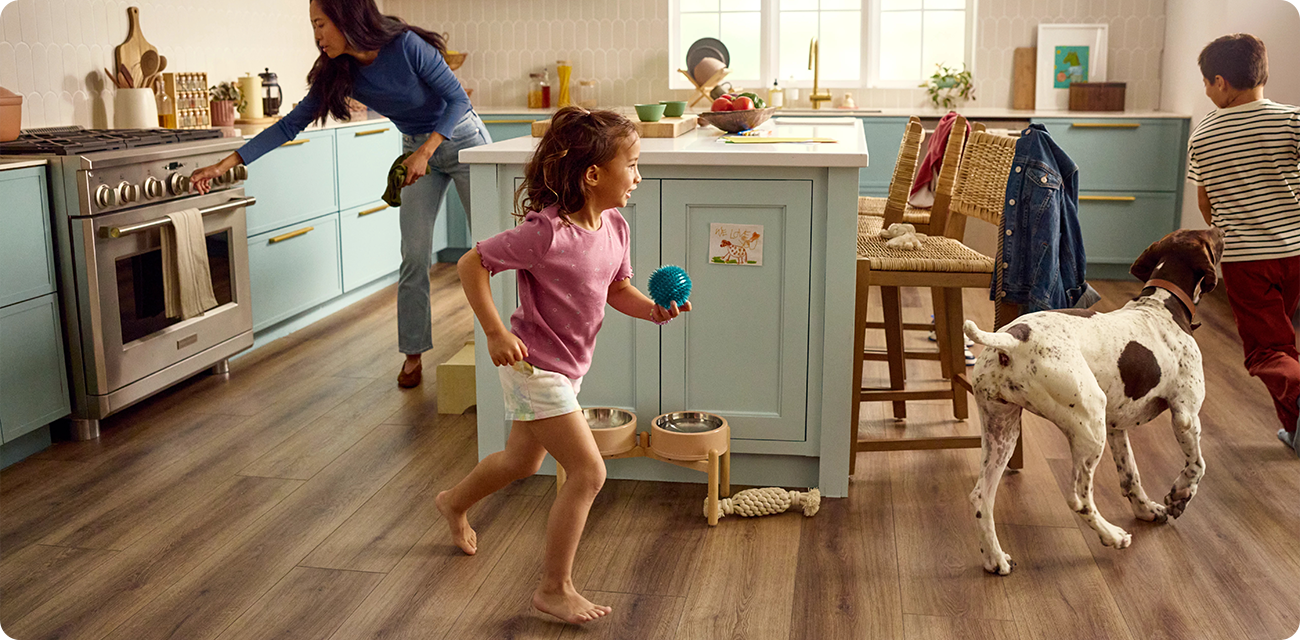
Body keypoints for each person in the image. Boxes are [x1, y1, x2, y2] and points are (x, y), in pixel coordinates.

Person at [434, 107, 690, 624]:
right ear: (593, 174)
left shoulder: (614, 225)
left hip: (569, 366)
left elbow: (616, 288)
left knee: (521, 462)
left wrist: (653, 310)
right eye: (633, 165)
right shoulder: (544, 232)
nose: (639, 177)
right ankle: (555, 587)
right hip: (534, 365)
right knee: (588, 471)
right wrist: (495, 332)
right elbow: (471, 263)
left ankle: (452, 503)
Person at [191, 0, 489, 388]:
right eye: (312, 25)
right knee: (414, 255)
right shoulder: (339, 71)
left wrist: (425, 152)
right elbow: (289, 125)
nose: (316, 34)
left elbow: (459, 100)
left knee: (488, 250)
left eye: (320, 24)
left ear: (346, 17)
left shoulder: (406, 45)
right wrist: (223, 165)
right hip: (415, 149)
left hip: (461, 140)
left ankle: (497, 340)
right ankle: (412, 354)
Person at [1187, 33, 1300, 456]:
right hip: (1295, 253)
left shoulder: (1205, 134)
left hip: (1247, 261)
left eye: (1205, 82)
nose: (1205, 90)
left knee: (1266, 350)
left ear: (1220, 82)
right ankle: (1293, 430)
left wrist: (1229, 228)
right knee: (1281, 341)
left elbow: (1205, 201)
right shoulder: (1292, 120)